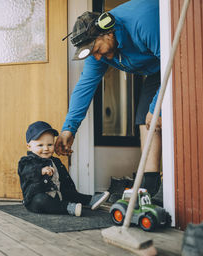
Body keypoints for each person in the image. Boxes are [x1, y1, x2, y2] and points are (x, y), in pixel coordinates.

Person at [55, 0, 163, 205]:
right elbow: (85, 87)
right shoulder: (98, 52)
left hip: (178, 58)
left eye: (96, 49)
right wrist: (69, 129)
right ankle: (151, 185)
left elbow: (174, 61)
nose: (96, 56)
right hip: (157, 69)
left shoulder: (143, 22)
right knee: (145, 119)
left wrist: (157, 108)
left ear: (109, 33)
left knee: (155, 112)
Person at [18, 121, 110, 217]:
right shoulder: (27, 161)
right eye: (40, 145)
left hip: (57, 193)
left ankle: (90, 200)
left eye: (50, 144)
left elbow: (64, 179)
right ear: (29, 146)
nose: (46, 148)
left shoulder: (55, 161)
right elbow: (25, 172)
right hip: (36, 198)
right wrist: (40, 171)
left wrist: (73, 192)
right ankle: (68, 208)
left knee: (68, 193)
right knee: (41, 201)